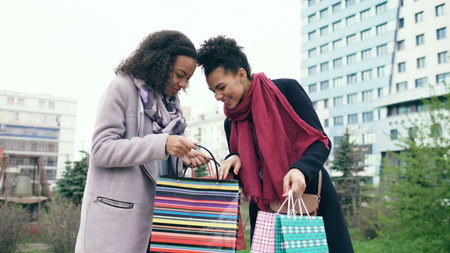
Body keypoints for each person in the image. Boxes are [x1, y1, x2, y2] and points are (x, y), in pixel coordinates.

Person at [197, 35, 354, 252]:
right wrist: (233, 157)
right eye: (213, 91)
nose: (217, 96)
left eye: (221, 87)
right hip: (264, 212)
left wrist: (300, 169)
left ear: (241, 74)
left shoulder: (286, 92)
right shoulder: (230, 123)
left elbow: (320, 142)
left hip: (310, 200)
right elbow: (246, 173)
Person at [75, 30, 210, 253]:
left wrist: (182, 156)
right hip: (119, 221)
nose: (182, 84)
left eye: (187, 79)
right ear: (160, 62)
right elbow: (101, 150)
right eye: (179, 74)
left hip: (159, 223)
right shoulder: (121, 88)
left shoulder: (171, 107)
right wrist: (161, 144)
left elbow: (159, 162)